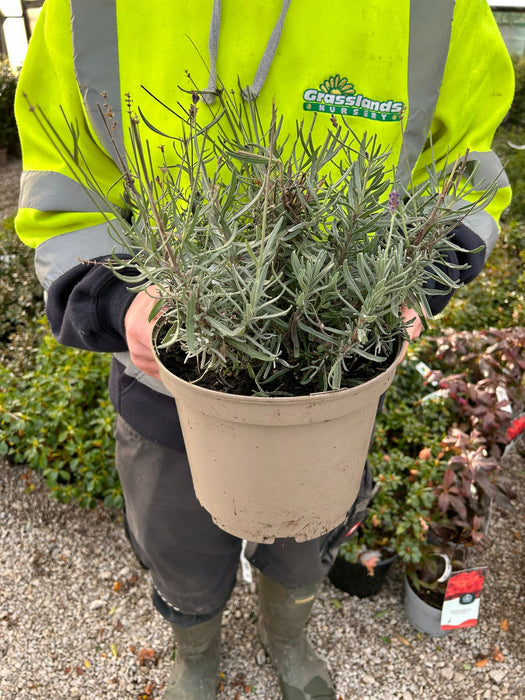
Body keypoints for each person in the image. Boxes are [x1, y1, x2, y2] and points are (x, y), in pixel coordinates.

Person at [14, 1, 513, 698]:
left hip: (334, 384)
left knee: (307, 533)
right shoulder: (88, 9)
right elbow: (64, 183)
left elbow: (461, 170)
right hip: (166, 382)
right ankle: (195, 646)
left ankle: (288, 632)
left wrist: (415, 282)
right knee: (175, 541)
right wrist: (116, 301)